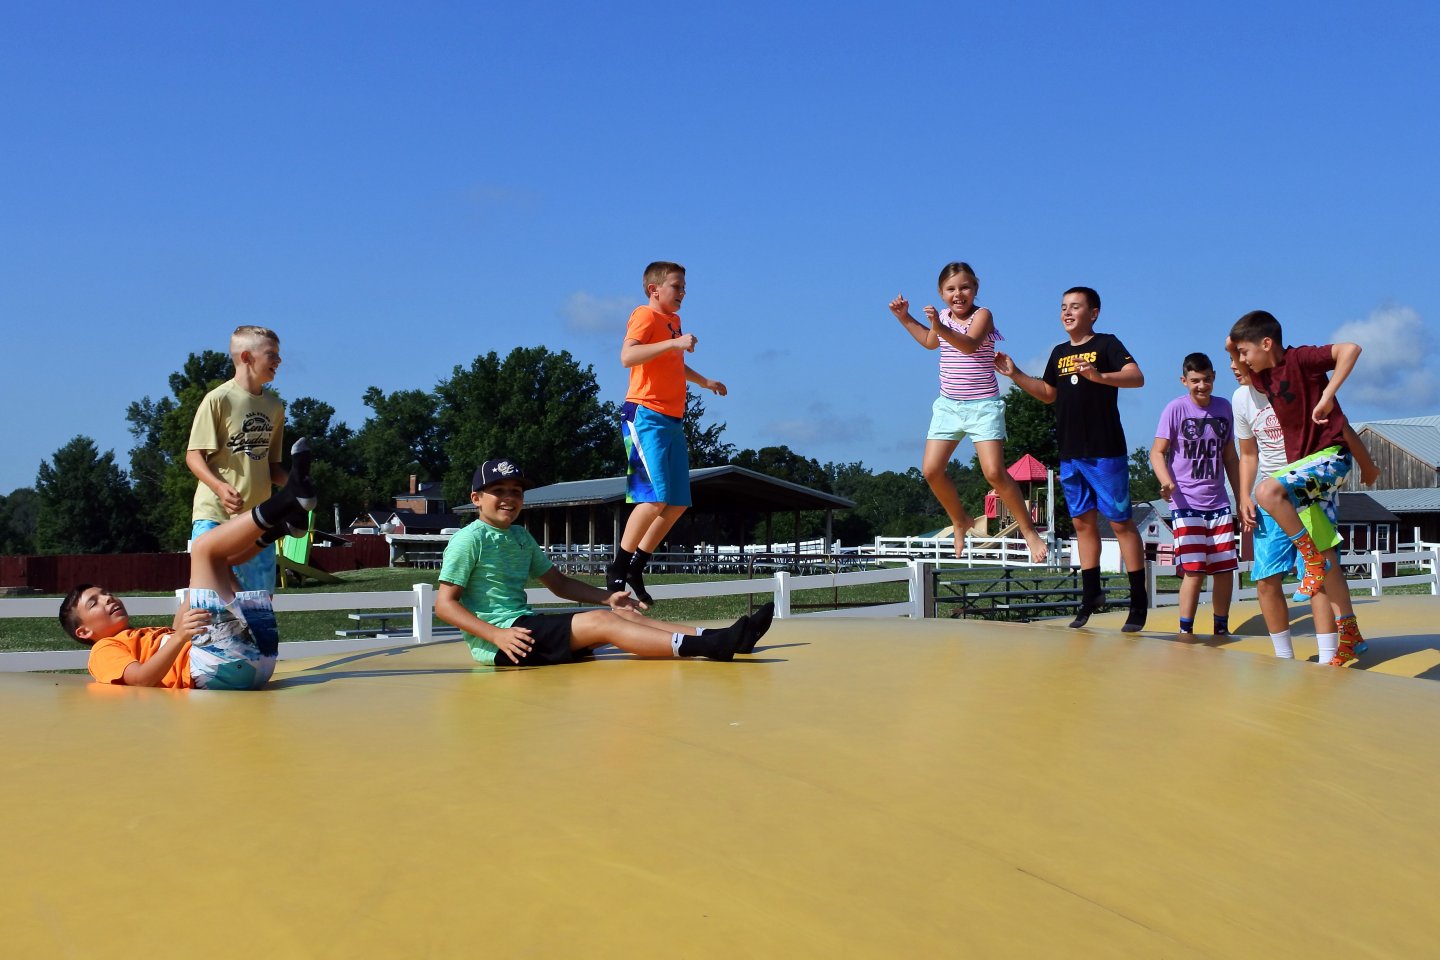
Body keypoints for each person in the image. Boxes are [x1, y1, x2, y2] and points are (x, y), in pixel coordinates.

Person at [438, 459, 772, 666]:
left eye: (516, 491)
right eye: (499, 490)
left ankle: (723, 636)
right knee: (603, 623)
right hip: (503, 643)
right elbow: (445, 606)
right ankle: (709, 647)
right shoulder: (469, 539)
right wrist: (496, 636)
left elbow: (559, 584)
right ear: (477, 498)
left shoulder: (520, 537)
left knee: (619, 615)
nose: (510, 498)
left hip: (522, 626)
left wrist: (607, 597)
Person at [60, 439, 316, 689]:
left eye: (105, 593)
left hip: (253, 662)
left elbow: (182, 626)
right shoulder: (103, 650)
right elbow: (140, 679)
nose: (108, 599)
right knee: (203, 548)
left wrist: (192, 599)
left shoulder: (146, 635)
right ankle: (287, 499)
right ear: (83, 632)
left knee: (218, 563)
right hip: (221, 666)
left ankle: (279, 528)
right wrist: (181, 635)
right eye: (94, 603)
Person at [995, 287, 1149, 631]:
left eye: (1075, 307)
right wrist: (1016, 374)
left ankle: (1138, 601)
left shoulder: (1107, 344)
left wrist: (1100, 376)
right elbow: (1049, 394)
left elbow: (1137, 377)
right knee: (1082, 524)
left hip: (1105, 450)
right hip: (1070, 452)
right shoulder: (1059, 352)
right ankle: (1090, 595)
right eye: (1063, 307)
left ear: (1093, 312)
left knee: (1121, 522)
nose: (1067, 312)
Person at [1226, 321, 1375, 666]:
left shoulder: (1300, 362)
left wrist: (1327, 396)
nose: (1240, 362)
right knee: (1323, 558)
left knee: (1270, 494)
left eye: (1244, 354)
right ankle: (1349, 633)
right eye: (1236, 357)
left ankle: (1310, 565)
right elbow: (1248, 452)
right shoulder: (1259, 383)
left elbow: (1350, 351)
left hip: (1318, 467)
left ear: (1265, 344)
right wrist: (1242, 494)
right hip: (1295, 484)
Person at [887, 262, 1048, 563]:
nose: (958, 294)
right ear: (941, 293)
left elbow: (971, 345)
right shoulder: (943, 319)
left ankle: (1028, 530)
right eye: (951, 289)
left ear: (975, 289)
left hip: (983, 405)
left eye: (964, 287)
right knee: (931, 471)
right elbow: (928, 341)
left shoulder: (982, 315)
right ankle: (960, 519)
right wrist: (905, 317)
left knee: (993, 473)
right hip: (948, 405)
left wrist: (940, 327)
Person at [606, 262, 729, 607]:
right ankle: (617, 567)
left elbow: (671, 363)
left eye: (684, 288)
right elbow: (627, 356)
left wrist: (704, 381)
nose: (682, 293)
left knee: (676, 504)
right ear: (654, 290)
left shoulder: (673, 323)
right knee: (654, 497)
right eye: (677, 287)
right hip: (644, 415)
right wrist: (674, 345)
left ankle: (637, 566)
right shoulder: (645, 315)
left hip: (672, 420)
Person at [186, 325, 289, 593]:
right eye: (272, 354)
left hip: (257, 521)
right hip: (215, 517)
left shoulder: (275, 406)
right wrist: (220, 488)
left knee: (258, 607)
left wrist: (297, 488)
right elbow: (194, 456)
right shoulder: (218, 399)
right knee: (213, 606)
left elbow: (272, 466)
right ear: (246, 357)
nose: (278, 360)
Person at [1149, 353, 1241, 639]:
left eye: (1207, 379)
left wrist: (1242, 498)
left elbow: (1230, 456)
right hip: (1186, 502)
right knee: (1194, 569)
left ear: (1214, 377)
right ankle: (1185, 629)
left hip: (1219, 502)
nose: (1202, 386)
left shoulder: (1224, 408)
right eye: (1195, 381)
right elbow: (1157, 452)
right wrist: (1166, 482)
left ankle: (1221, 626)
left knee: (1225, 568)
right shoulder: (1175, 409)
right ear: (1184, 381)